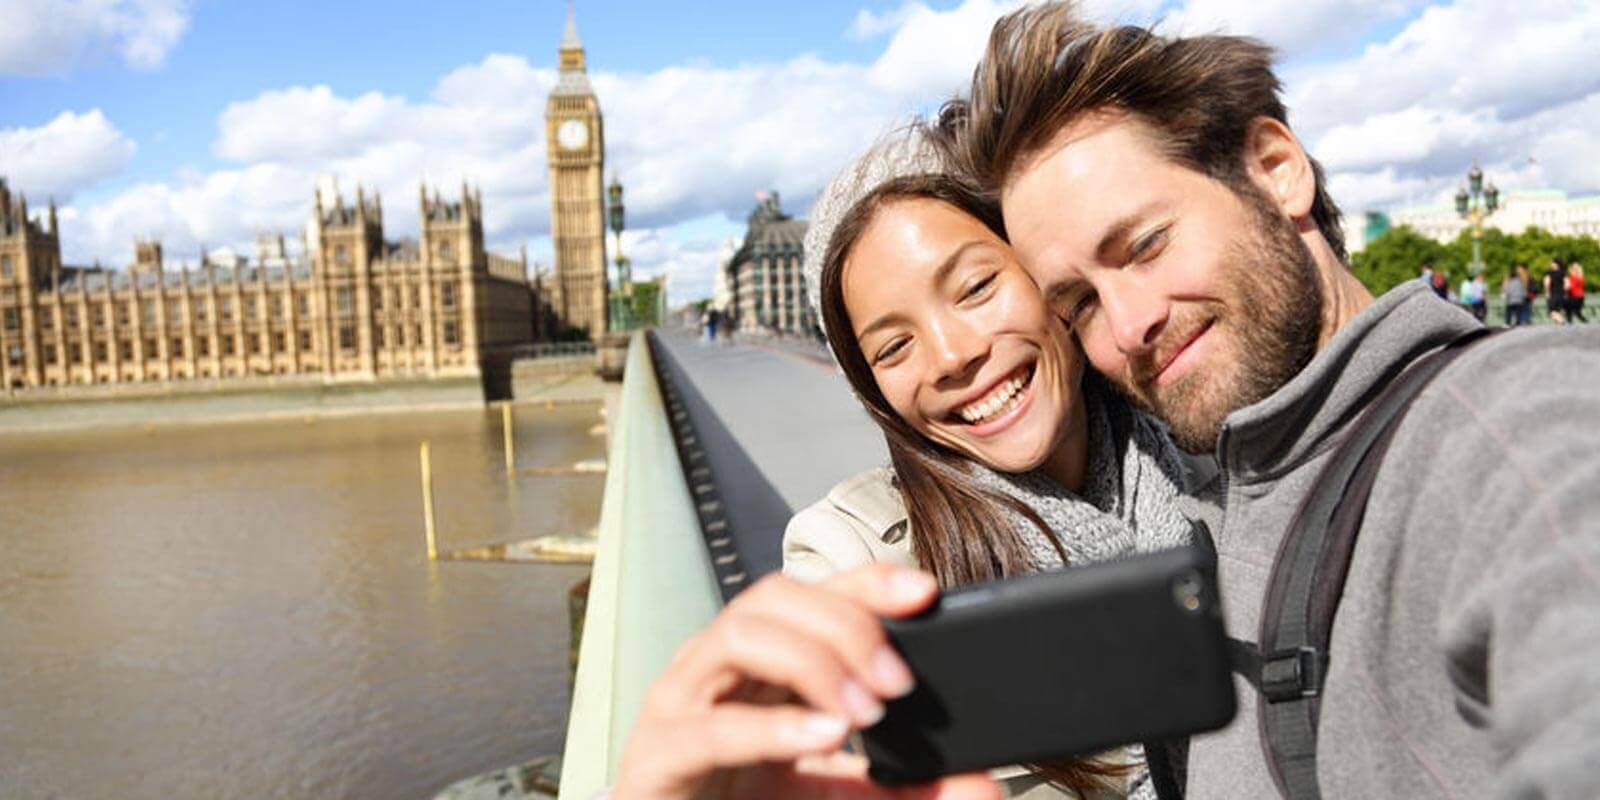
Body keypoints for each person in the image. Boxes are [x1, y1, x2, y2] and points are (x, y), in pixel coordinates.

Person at [954, 4, 1600, 798]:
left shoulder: (1510, 424)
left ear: (1274, 168)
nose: (1128, 324)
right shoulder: (1222, 504)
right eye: (1079, 303)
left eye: (1147, 245)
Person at [617, 128, 1196, 800]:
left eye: (976, 287)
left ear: (1046, 277)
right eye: (893, 348)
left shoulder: (1223, 461)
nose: (951, 356)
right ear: (873, 393)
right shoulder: (848, 562)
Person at [1544, 258, 1568, 323]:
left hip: (1553, 294)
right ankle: (1559, 325)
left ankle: (1561, 320)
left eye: (1552, 263)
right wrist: (1565, 292)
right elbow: (1567, 285)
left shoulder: (1549, 273)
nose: (1551, 264)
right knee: (1558, 311)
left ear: (1556, 264)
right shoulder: (1564, 273)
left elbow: (1546, 283)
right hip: (1561, 294)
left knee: (1551, 311)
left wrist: (1547, 292)